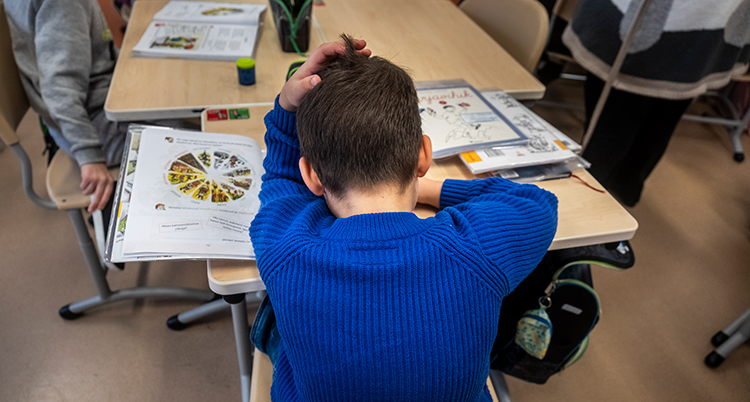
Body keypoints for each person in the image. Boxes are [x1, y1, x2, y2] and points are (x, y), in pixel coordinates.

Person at [249, 35, 558, 401]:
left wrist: (286, 105)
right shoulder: (473, 247)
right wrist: (427, 190)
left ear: (312, 175)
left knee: (278, 324)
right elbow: (534, 202)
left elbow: (281, 178)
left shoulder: (283, 245)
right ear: (423, 157)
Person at [562, 0, 750, 206]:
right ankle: (618, 190)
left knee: (613, 129)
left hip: (660, 29)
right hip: (709, 29)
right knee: (655, 122)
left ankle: (586, 203)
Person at [5, 0, 125, 212]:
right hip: (92, 128)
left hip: (76, 117)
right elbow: (60, 87)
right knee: (185, 126)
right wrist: (89, 155)